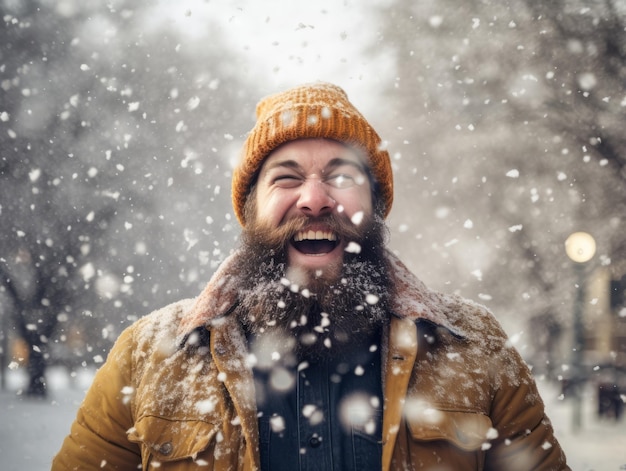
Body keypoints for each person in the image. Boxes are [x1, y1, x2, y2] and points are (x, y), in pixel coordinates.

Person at [52, 82, 570, 470]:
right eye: (287, 177)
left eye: (342, 177)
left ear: (375, 209)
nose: (317, 198)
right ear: (251, 210)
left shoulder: (475, 346)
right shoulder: (148, 354)